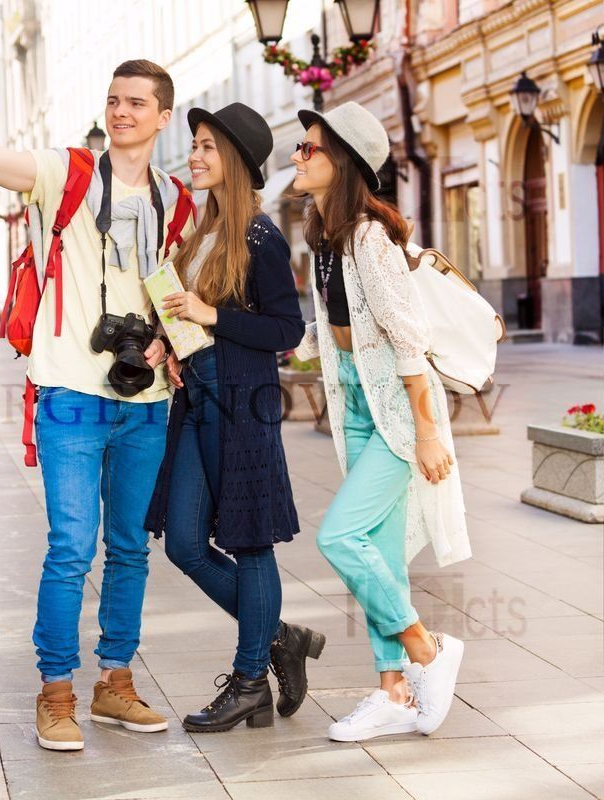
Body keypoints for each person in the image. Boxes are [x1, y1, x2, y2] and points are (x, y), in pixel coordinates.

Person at [0, 56, 192, 752]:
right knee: (71, 547)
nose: (121, 111)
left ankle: (115, 682)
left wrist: (165, 340)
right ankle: (56, 692)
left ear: (163, 117)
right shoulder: (65, 173)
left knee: (129, 548)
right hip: (70, 392)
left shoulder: (177, 201)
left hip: (145, 400)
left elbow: (179, 293)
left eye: (137, 102)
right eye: (114, 99)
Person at [291, 102, 471, 742]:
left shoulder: (368, 236)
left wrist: (426, 432)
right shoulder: (325, 237)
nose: (297, 155)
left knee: (341, 537)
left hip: (397, 413)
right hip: (359, 408)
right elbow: (332, 332)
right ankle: (393, 691)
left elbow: (405, 336)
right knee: (382, 555)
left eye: (309, 148)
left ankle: (426, 647)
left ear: (341, 162)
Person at [143, 104, 325, 733]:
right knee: (186, 544)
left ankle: (250, 682)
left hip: (242, 403)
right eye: (194, 145)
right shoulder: (203, 234)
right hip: (197, 398)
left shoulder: (260, 236)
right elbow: (192, 318)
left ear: (239, 162)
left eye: (207, 148)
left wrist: (211, 314)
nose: (194, 157)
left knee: (249, 543)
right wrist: (173, 343)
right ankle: (280, 638)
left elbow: (287, 329)